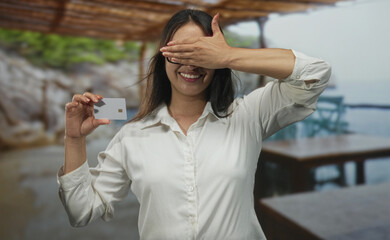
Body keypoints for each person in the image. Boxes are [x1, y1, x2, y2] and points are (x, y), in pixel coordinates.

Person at [58, 9, 331, 240]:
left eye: (201, 53)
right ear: (163, 57)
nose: (192, 63)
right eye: (180, 52)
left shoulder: (248, 115)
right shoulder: (132, 136)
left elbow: (316, 74)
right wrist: (74, 139)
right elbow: (81, 211)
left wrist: (228, 55)